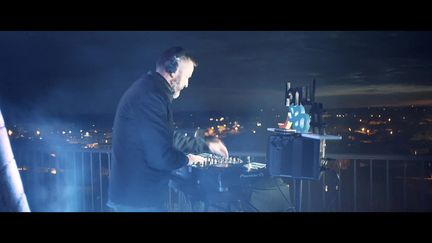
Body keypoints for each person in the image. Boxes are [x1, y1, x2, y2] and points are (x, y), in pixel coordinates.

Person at [107, 46, 228, 212]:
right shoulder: (151, 97)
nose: (186, 84)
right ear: (172, 68)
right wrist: (188, 160)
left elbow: (166, 137)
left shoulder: (150, 91)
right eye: (187, 77)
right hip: (138, 201)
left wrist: (205, 144)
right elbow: (160, 157)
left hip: (136, 197)